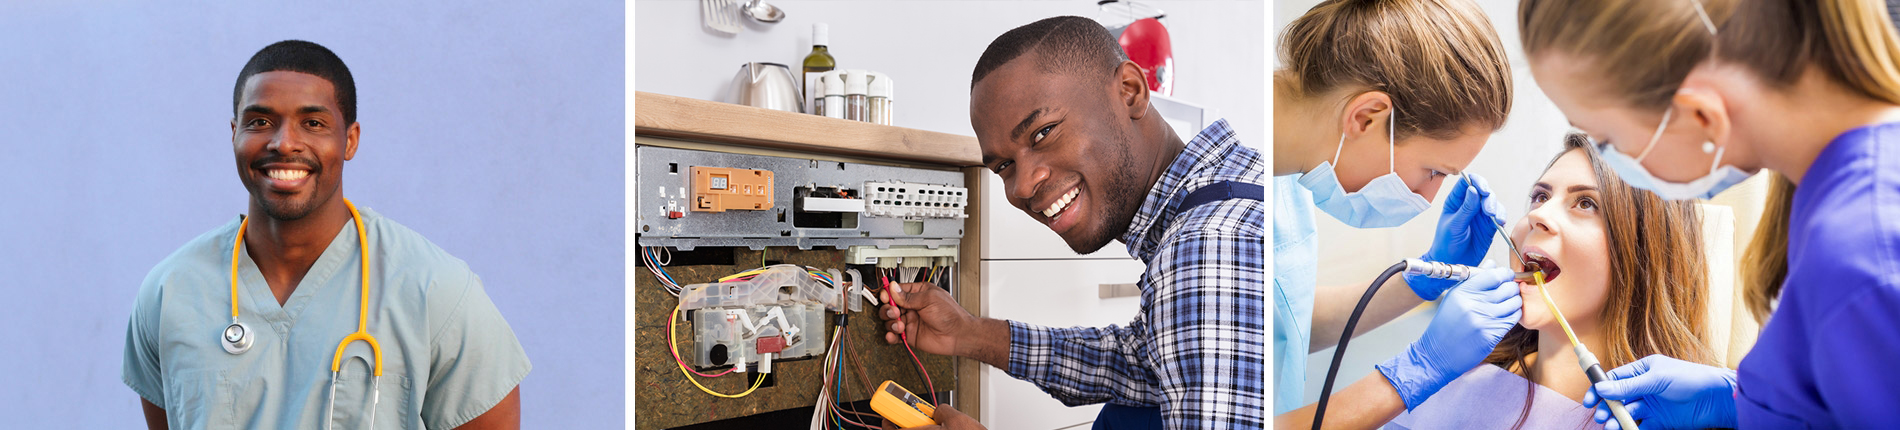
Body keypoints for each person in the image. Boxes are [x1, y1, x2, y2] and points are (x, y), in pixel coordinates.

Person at [1520, 0, 1900, 427]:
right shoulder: (1829, 201)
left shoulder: (1864, 256)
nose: (1541, 216)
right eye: (1538, 196)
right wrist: (1739, 400)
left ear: (1702, 114)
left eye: (1608, 139)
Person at [876, 16, 1265, 430]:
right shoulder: (1229, 190)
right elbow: (1144, 363)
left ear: (1130, 91)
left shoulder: (1208, 249)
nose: (1023, 185)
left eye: (1043, 133)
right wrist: (970, 334)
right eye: (1004, 165)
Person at [122, 40, 530, 429]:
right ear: (234, 134)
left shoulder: (436, 291)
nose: (284, 143)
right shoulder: (170, 292)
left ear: (349, 139)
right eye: (260, 122)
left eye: (313, 123)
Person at [1273, 0, 1523, 425]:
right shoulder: (1238, 191)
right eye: (1433, 171)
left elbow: (1285, 326)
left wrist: (1425, 278)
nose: (1429, 197)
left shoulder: (1287, 187)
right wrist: (1412, 373)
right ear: (1367, 117)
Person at [1389, 134, 1722, 428]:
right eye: (1540, 196)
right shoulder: (1456, 375)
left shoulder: (1673, 416)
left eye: (1586, 203)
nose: (1538, 215)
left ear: (1645, 254)